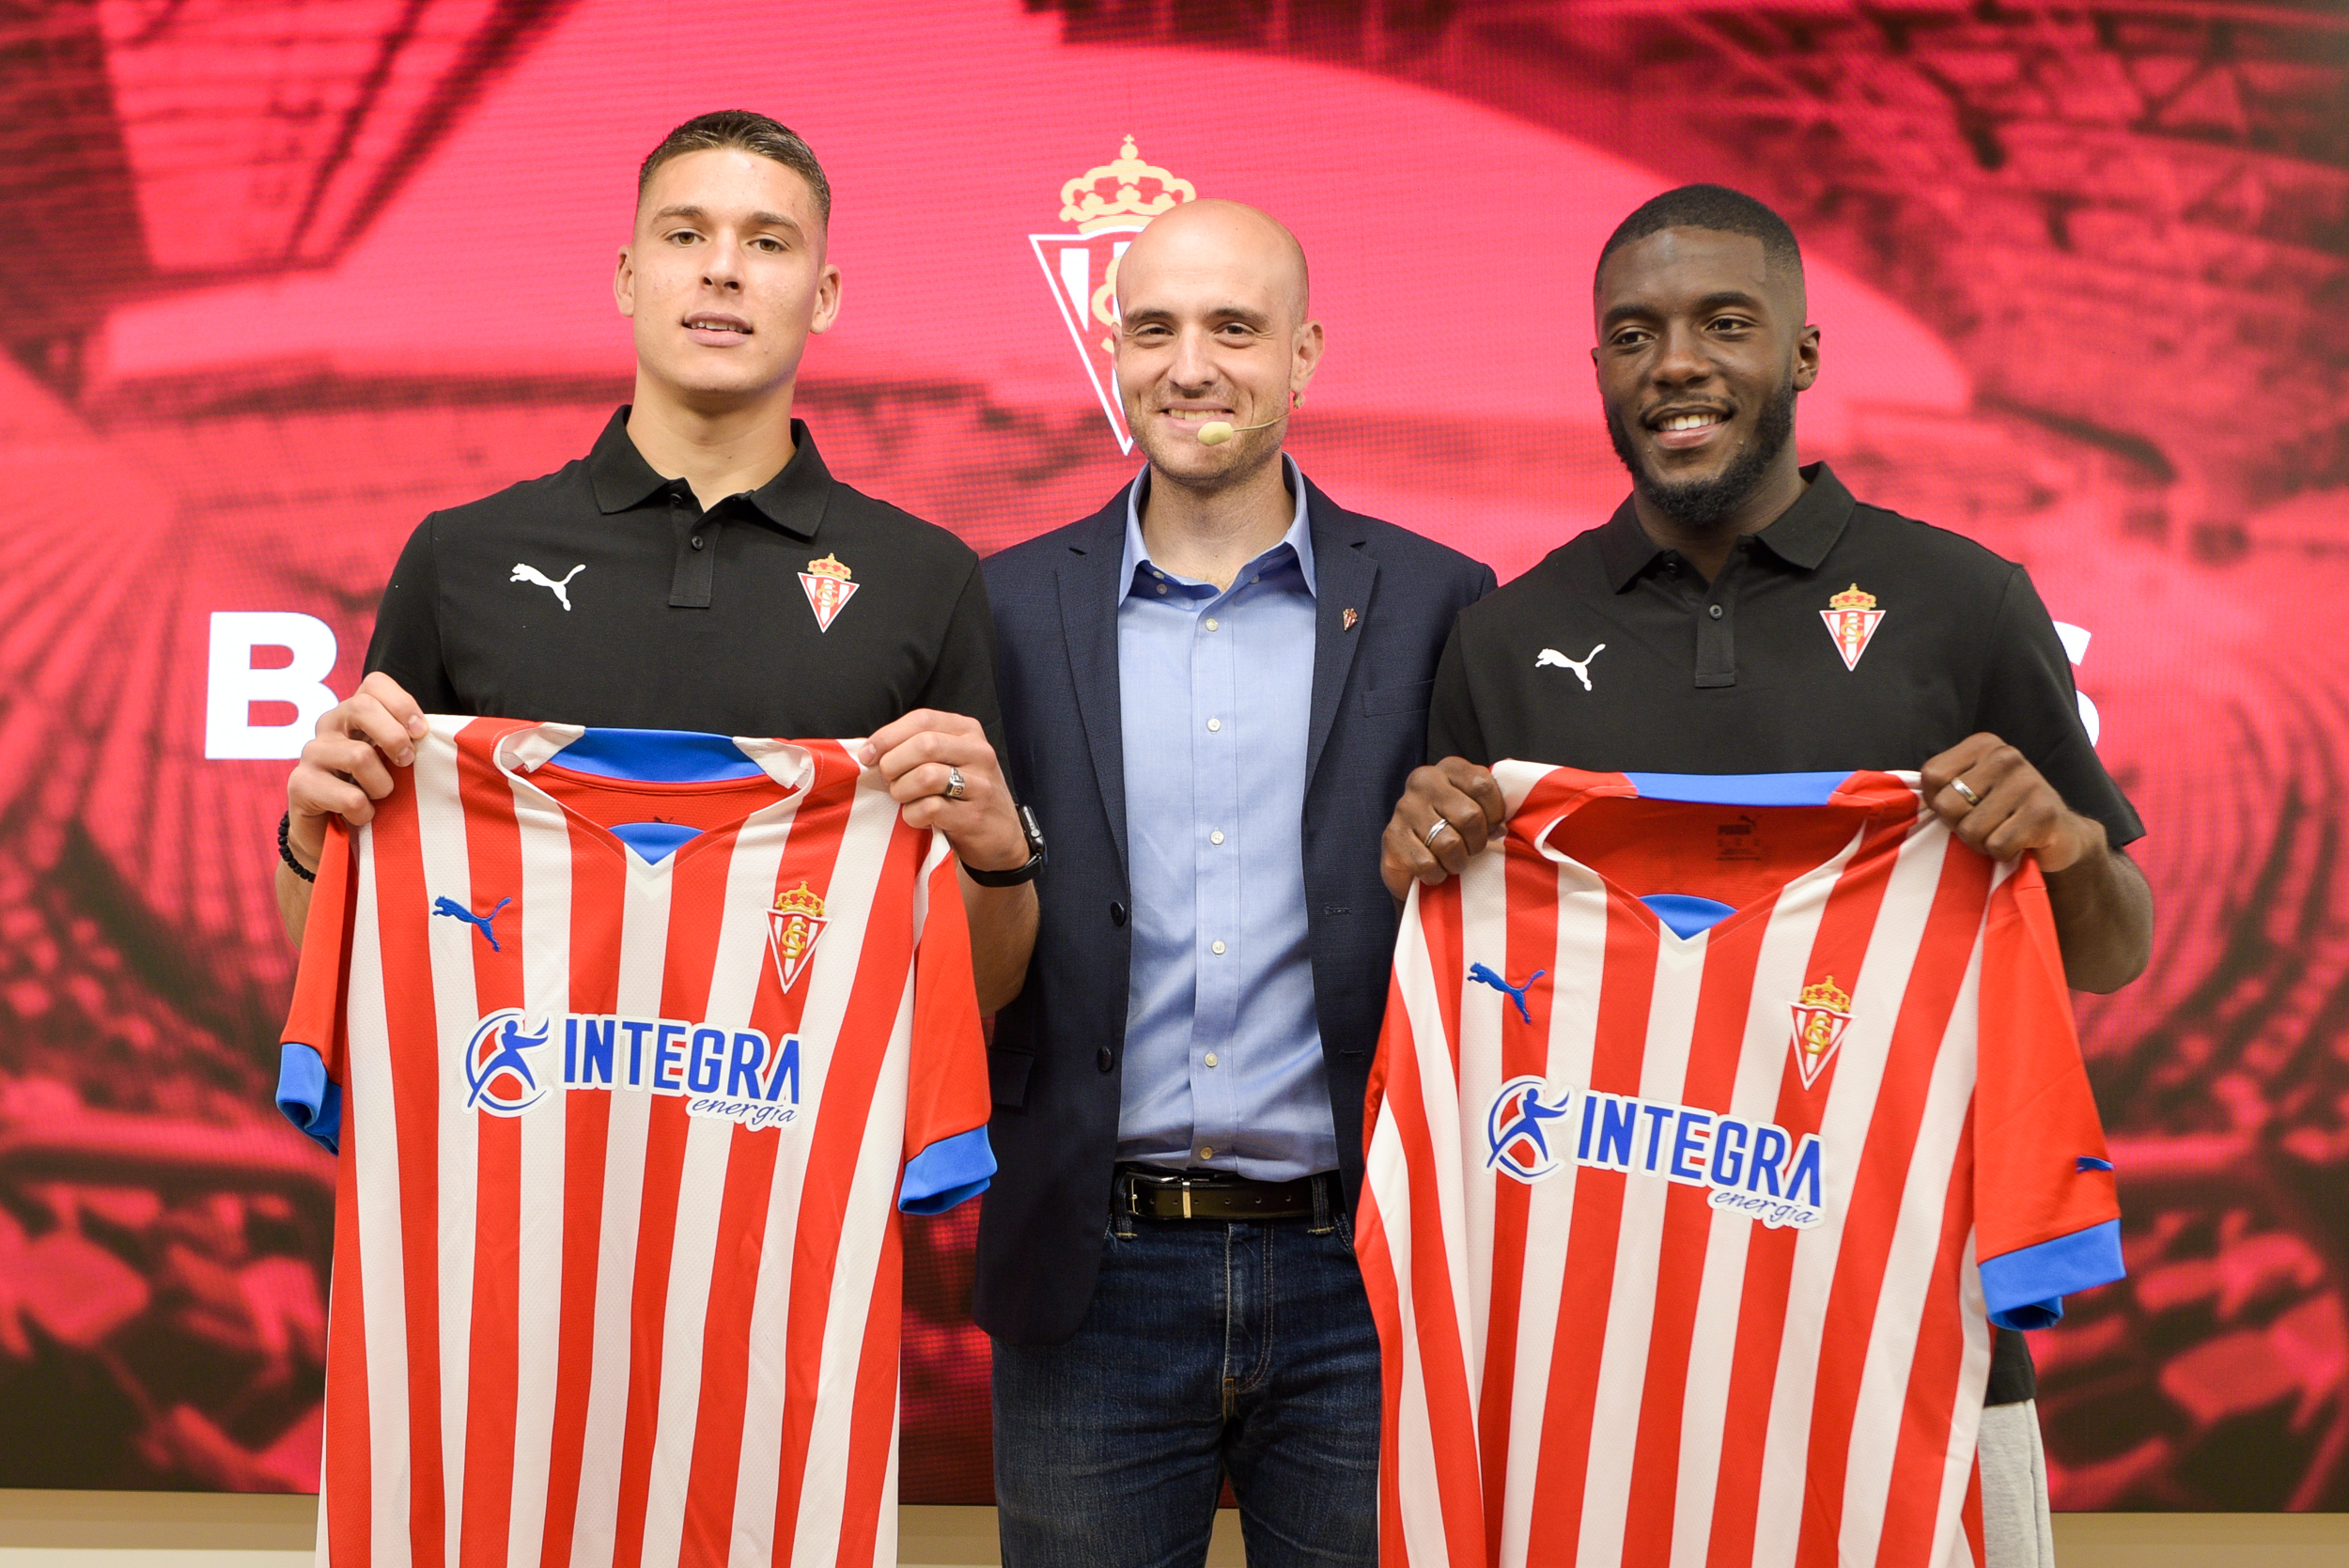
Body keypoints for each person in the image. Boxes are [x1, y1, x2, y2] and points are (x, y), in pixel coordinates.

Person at [1379, 184, 2151, 1568]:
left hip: (1911, 1357)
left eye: (1724, 324)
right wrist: (1421, 849)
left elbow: (2108, 949)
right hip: (1598, 1387)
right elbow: (1473, 973)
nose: (1677, 363)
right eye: (1634, 334)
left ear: (1800, 350)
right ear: (1600, 370)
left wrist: (2067, 843)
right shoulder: (1510, 636)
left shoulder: (1967, 602)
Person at [978, 198, 1494, 1567]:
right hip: (1092, 1276)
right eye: (1153, 328)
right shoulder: (1001, 609)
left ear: (1307, 352)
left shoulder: (1448, 602)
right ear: (1113, 349)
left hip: (1363, 1281)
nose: (1191, 366)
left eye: (1234, 328)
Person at [272, 110, 1041, 1004]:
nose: (723, 268)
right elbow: (345, 958)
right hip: (523, 1128)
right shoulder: (463, 555)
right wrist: (306, 834)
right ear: (629, 278)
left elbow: (977, 993)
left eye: (767, 241)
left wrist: (1000, 859)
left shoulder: (926, 578)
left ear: (823, 295)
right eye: (686, 234)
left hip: (793, 1140)